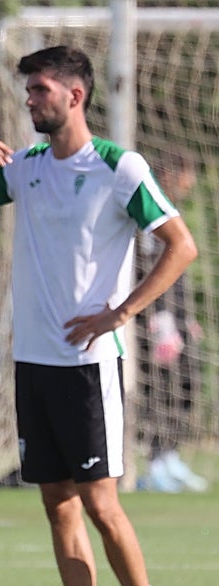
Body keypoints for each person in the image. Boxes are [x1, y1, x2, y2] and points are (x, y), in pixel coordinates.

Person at [0, 46, 197, 586]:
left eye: (41, 90)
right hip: (34, 363)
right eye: (28, 91)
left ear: (74, 96)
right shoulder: (24, 167)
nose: (30, 101)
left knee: (102, 503)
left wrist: (122, 312)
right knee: (56, 502)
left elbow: (180, 245)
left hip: (89, 367)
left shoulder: (118, 167)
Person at [139, 149, 208, 494]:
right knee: (159, 391)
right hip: (157, 323)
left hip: (178, 323)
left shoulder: (171, 213)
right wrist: (160, 318)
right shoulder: (149, 217)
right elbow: (150, 270)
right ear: (169, 174)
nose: (189, 184)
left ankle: (171, 456)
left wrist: (186, 319)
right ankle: (154, 463)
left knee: (187, 385)